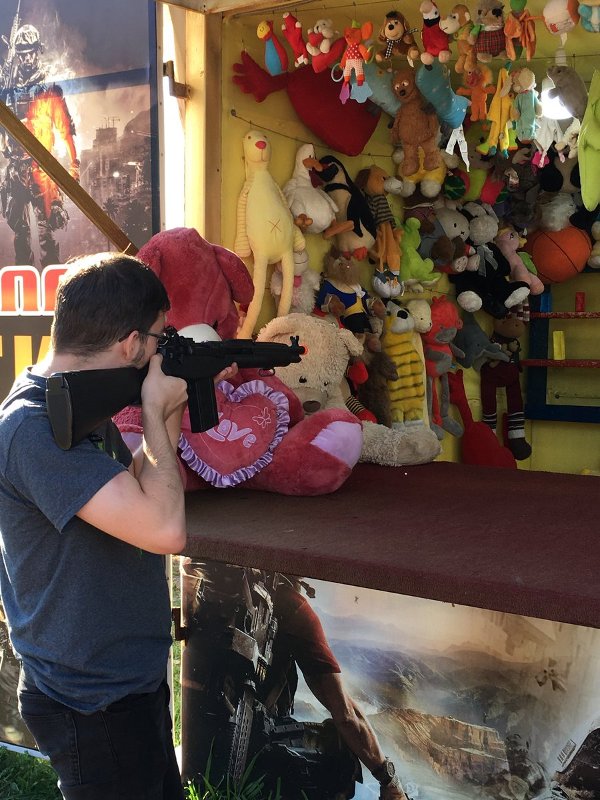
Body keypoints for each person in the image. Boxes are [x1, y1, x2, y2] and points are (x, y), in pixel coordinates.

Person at [0, 252, 236, 800]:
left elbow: (133, 490)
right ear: (131, 343)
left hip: (124, 681)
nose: (161, 348)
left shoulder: (68, 404)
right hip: (88, 700)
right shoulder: (35, 428)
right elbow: (164, 530)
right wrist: (153, 412)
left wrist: (173, 406)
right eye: (159, 337)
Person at [266, 576, 410, 800]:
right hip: (249, 746)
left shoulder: (204, 576)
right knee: (338, 747)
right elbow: (345, 715)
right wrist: (388, 779)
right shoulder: (293, 607)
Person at [0, 23, 79, 266]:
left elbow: (65, 130)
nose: (27, 58)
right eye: (22, 54)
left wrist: (74, 165)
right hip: (15, 169)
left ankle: (52, 285)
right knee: (20, 234)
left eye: (31, 52)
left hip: (41, 169)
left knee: (46, 233)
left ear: (38, 52)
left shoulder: (48, 88)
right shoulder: (7, 89)